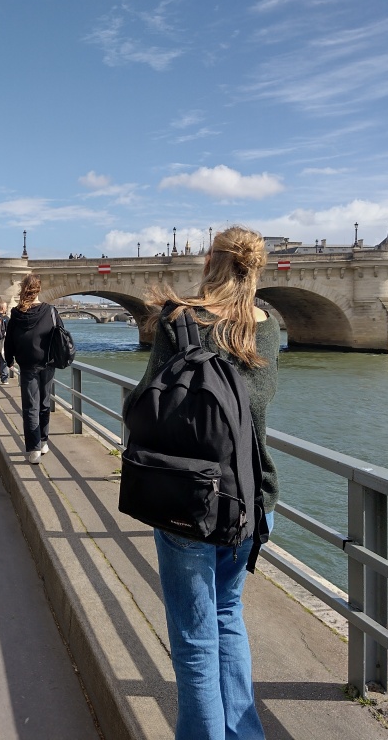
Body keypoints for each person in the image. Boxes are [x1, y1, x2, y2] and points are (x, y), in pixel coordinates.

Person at [123, 226, 278, 740]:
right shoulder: (266, 326)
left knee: (193, 636)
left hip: (190, 496)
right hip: (253, 499)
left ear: (210, 260)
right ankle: (244, 734)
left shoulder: (179, 319)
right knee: (229, 616)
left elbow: (146, 403)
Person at [4, 274, 59, 464]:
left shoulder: (16, 313)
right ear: (39, 290)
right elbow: (60, 334)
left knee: (30, 407)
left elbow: (9, 338)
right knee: (44, 404)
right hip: (48, 363)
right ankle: (43, 441)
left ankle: (33, 448)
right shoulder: (50, 311)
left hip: (27, 364)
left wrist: (9, 359)